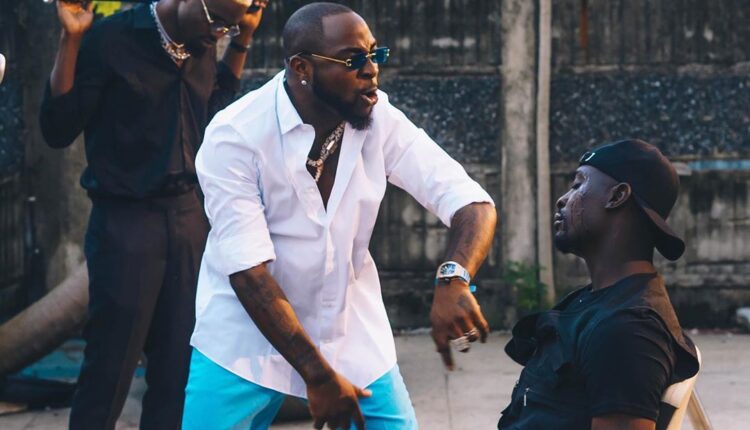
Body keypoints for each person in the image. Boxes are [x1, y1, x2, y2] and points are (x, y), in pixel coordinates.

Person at [182, 2, 498, 429]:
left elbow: (470, 201)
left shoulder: (378, 117)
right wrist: (317, 375)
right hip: (246, 340)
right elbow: (248, 273)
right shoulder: (235, 136)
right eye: (353, 60)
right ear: (302, 68)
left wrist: (454, 276)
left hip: (350, 333)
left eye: (375, 54)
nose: (371, 70)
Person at [38, 0, 267, 428]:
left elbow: (209, 114)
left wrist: (243, 38)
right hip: (127, 224)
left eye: (227, 28)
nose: (218, 33)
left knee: (179, 369)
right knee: (109, 368)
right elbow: (57, 128)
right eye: (217, 21)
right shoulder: (110, 39)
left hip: (189, 219)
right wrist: (71, 40)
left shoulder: (202, 40)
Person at [497, 139, 700, 430]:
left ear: (617, 196)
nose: (562, 199)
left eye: (578, 184)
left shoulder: (627, 330)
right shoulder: (601, 301)